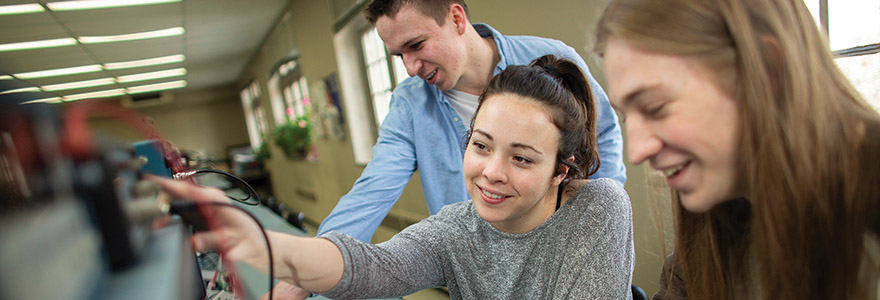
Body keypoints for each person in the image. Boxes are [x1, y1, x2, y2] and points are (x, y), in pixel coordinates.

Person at [157, 56, 634, 300]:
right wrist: (266, 246)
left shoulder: (600, 207)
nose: (491, 172)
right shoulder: (455, 230)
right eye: (481, 145)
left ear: (561, 171)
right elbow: (370, 267)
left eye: (523, 159)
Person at [594, 0, 880, 299]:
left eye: (655, 108)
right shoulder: (716, 233)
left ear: (769, 70)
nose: (638, 152)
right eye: (627, 116)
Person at [317, 0, 626, 244]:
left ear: (456, 18)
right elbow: (371, 192)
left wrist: (591, 227)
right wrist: (309, 267)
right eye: (399, 56)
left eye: (417, 45)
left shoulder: (551, 58)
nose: (411, 68)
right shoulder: (409, 104)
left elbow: (604, 136)